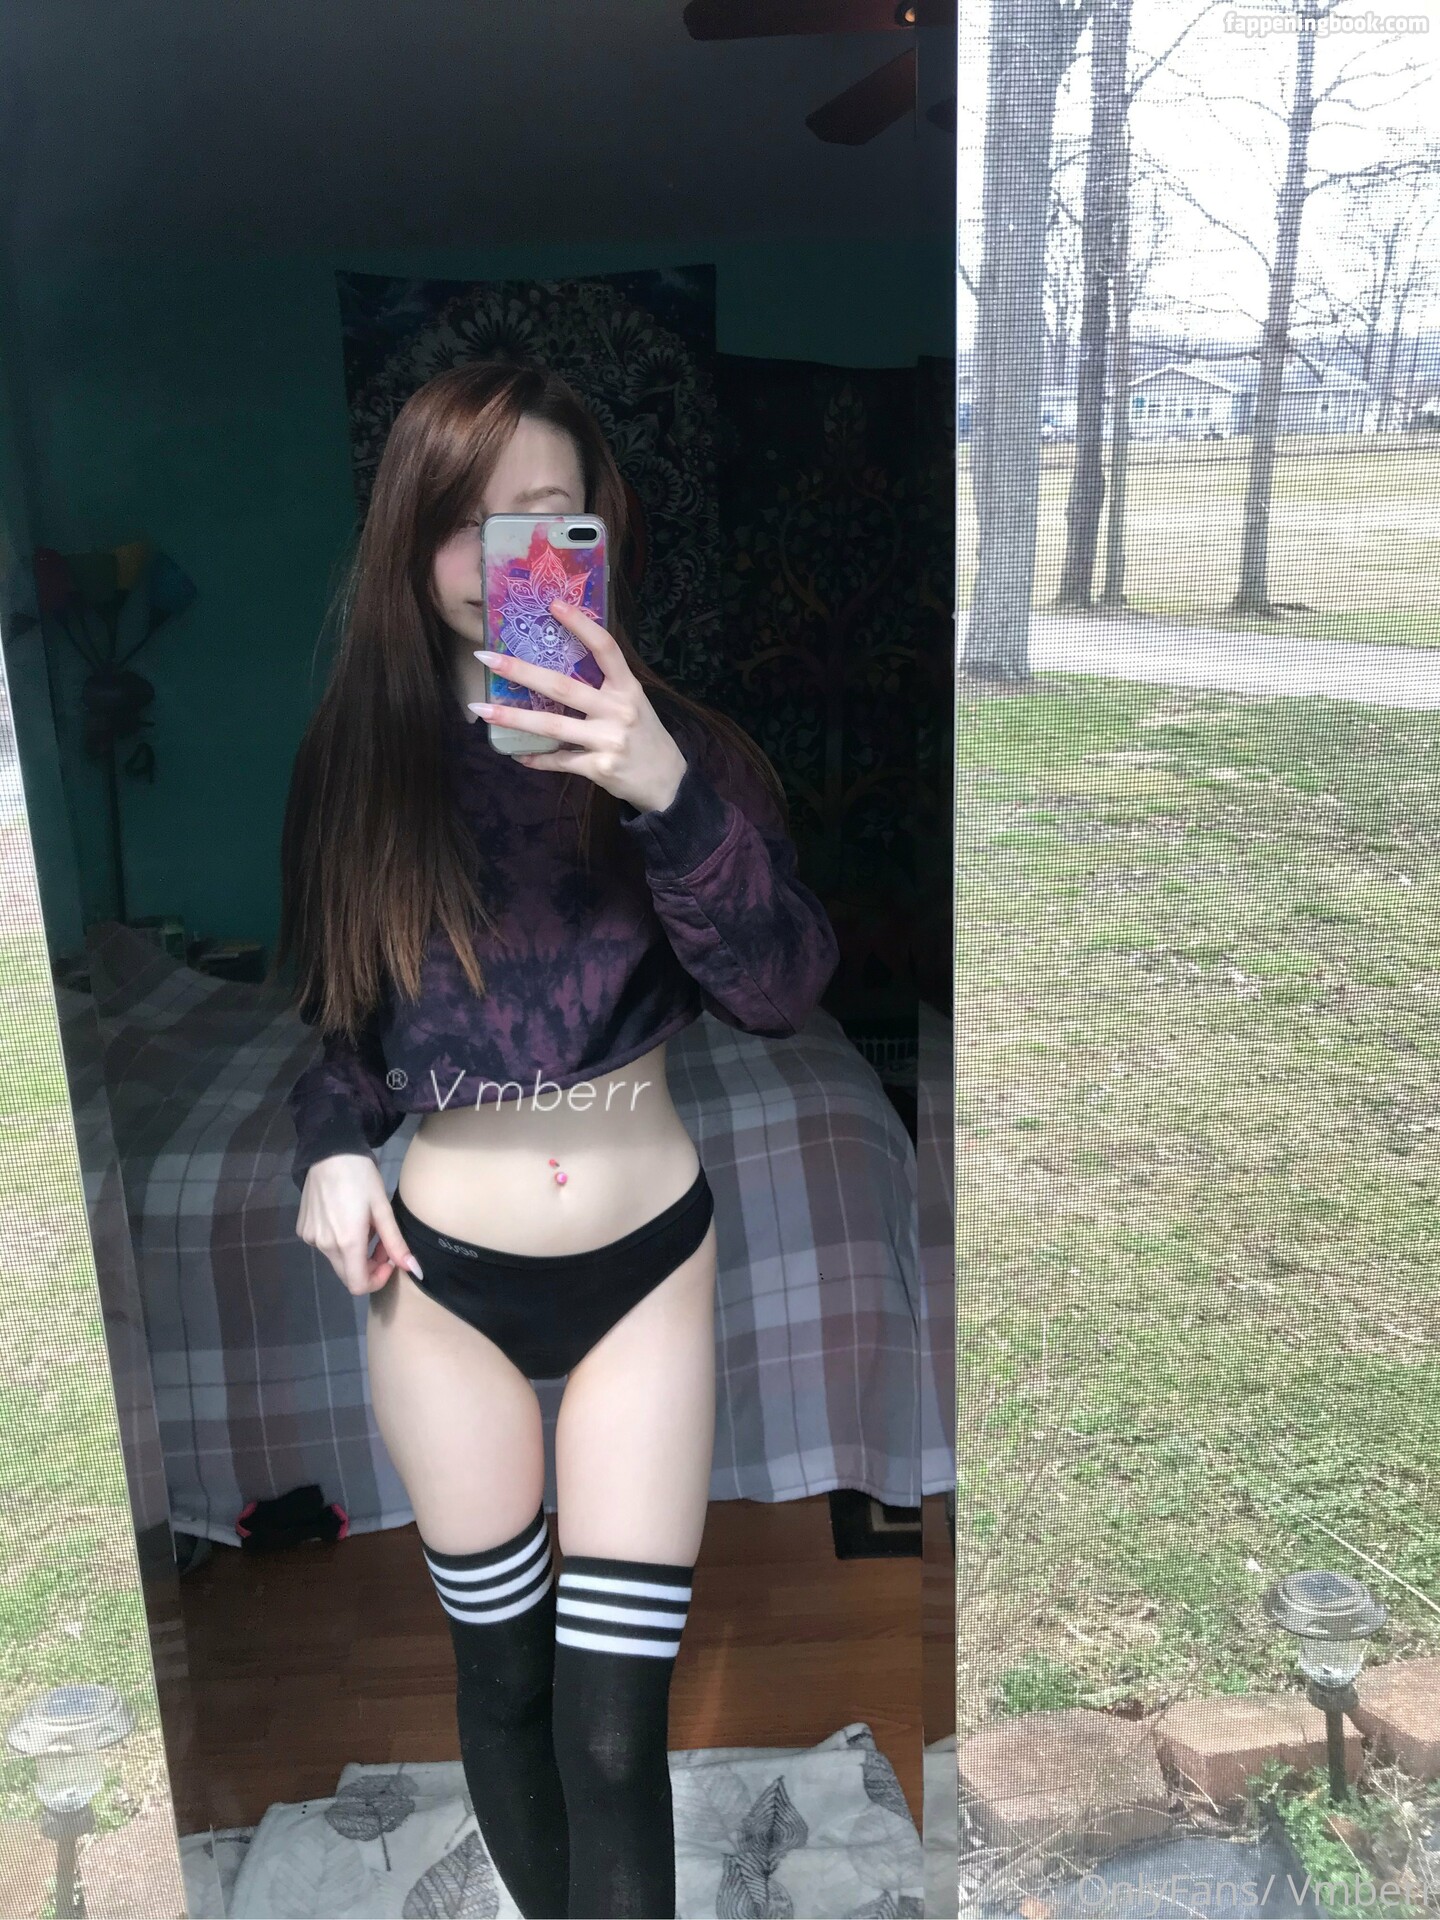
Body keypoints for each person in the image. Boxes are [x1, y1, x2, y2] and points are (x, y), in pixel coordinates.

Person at [275, 359, 839, 1919]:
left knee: (609, 1729)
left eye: (541, 517)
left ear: (596, 534)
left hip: (646, 1274)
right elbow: (340, 1041)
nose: (499, 558)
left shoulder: (688, 751)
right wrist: (332, 1152)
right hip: (437, 1285)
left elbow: (783, 989)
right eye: (463, 521)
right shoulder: (357, 765)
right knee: (509, 1688)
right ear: (410, 540)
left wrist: (662, 790)